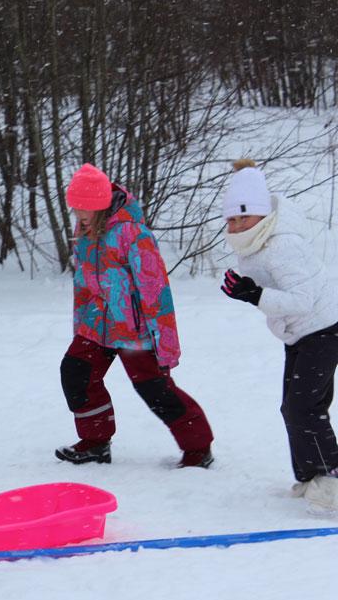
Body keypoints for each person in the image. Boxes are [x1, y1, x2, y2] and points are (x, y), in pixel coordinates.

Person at [55, 163, 215, 468]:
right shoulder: (85, 232)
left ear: (99, 205)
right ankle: (95, 442)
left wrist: (165, 343)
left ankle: (199, 447)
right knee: (76, 372)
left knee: (155, 389)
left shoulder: (133, 234)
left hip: (135, 329)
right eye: (74, 208)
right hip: (97, 324)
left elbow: (156, 292)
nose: (77, 214)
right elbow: (83, 285)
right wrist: (80, 325)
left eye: (82, 208)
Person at [219, 159, 338, 514]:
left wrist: (255, 295)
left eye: (243, 217)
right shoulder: (254, 243)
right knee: (293, 407)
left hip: (323, 328)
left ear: (262, 213)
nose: (237, 225)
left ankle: (332, 478)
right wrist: (250, 291)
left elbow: (302, 300)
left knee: (304, 407)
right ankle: (311, 477)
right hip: (299, 333)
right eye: (231, 219)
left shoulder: (282, 244)